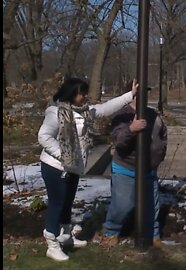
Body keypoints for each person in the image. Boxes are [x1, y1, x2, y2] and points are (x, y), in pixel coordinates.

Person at [38, 77, 138, 261]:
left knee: (67, 203)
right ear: (71, 94)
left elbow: (106, 108)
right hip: (54, 167)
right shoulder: (55, 112)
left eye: (85, 93)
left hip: (73, 167)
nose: (85, 97)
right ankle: (52, 244)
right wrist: (64, 155)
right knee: (57, 204)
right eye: (81, 93)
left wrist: (129, 95)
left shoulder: (85, 112)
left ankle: (66, 237)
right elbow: (43, 137)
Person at [100, 82, 167, 247]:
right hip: (126, 168)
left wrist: (158, 157)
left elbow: (162, 135)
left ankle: (153, 234)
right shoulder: (122, 115)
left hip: (148, 170)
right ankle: (111, 232)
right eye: (140, 94)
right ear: (132, 94)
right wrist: (131, 129)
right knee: (122, 205)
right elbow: (119, 142)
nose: (144, 97)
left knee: (152, 206)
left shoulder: (153, 115)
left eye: (146, 93)